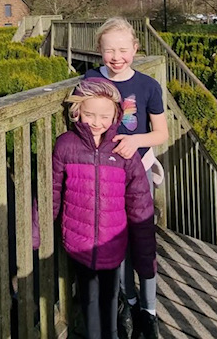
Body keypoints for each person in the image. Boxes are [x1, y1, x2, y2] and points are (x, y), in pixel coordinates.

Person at [52, 77, 157, 339]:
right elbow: (51, 190)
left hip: (113, 243)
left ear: (116, 116)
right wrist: (35, 233)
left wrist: (145, 258)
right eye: (89, 115)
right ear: (77, 112)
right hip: (79, 243)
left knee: (110, 299)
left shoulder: (124, 152)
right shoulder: (66, 145)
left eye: (104, 116)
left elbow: (140, 203)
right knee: (88, 301)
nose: (96, 122)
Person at [85, 18, 168, 339]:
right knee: (115, 239)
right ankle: (128, 299)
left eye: (123, 49)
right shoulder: (91, 80)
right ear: (99, 52)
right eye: (109, 50)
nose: (116, 56)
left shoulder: (148, 86)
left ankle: (148, 309)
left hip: (139, 172)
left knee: (143, 239)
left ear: (135, 48)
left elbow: (160, 133)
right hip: (105, 175)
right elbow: (82, 119)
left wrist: (136, 140)